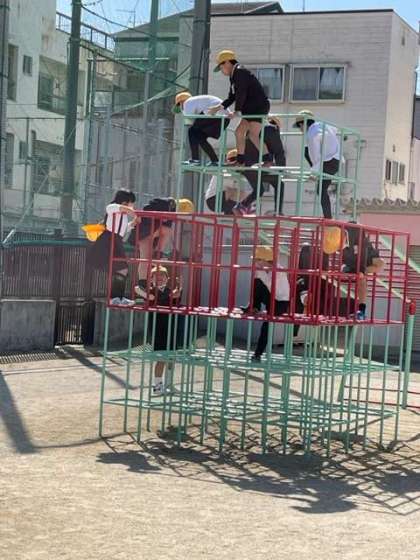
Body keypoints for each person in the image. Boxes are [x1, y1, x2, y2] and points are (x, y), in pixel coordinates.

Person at [210, 49, 272, 166]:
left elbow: (241, 93)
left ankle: (267, 160)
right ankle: (241, 160)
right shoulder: (234, 76)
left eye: (221, 67)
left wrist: (237, 111)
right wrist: (218, 107)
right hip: (251, 108)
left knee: (252, 134)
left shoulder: (240, 72)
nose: (222, 71)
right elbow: (232, 96)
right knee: (240, 132)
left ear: (227, 62)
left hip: (257, 107)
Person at [129, 197, 194, 290]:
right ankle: (143, 283)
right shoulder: (166, 203)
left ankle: (156, 255)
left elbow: (166, 227)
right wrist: (157, 216)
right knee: (145, 259)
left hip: (151, 232)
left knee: (146, 258)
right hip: (144, 232)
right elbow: (147, 207)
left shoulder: (172, 213)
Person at [136, 266, 182, 395]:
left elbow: (177, 296)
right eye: (156, 276)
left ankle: (169, 384)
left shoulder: (169, 291)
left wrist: (180, 286)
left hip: (170, 325)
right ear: (151, 279)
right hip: (157, 327)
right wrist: (142, 291)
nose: (160, 278)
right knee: (161, 358)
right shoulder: (151, 291)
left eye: (162, 275)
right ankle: (157, 386)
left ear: (167, 278)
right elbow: (146, 294)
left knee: (171, 357)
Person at [89, 189, 137, 306]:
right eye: (131, 202)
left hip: (116, 241)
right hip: (108, 240)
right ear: (125, 201)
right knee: (121, 268)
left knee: (122, 269)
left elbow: (122, 230)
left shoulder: (124, 214)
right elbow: (122, 209)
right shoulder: (112, 207)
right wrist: (135, 213)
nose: (132, 206)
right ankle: (115, 298)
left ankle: (117, 297)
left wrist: (133, 223)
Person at [242, 245, 290, 362]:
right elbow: (260, 287)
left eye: (257, 260)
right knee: (257, 282)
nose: (255, 262)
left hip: (281, 303)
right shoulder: (262, 269)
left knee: (267, 325)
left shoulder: (278, 270)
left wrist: (260, 272)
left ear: (264, 260)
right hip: (272, 298)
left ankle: (257, 354)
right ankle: (254, 307)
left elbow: (270, 285)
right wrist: (259, 273)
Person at [230, 117, 286, 215]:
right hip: (258, 167)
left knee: (259, 189)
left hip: (247, 167)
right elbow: (279, 152)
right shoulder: (270, 130)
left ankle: (241, 206)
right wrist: (281, 170)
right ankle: (278, 211)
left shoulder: (251, 131)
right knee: (279, 183)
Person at [293, 110, 342, 219]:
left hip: (327, 162)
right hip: (336, 161)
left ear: (302, 124)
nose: (301, 131)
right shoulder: (323, 125)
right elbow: (335, 130)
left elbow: (315, 155)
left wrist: (314, 172)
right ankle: (328, 216)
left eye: (300, 128)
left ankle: (328, 217)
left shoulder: (311, 134)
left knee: (306, 151)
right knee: (322, 189)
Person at [172, 91, 231, 165]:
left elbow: (189, 119)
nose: (181, 107)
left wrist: (184, 112)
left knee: (192, 131)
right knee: (200, 137)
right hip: (225, 118)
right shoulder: (196, 101)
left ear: (181, 102)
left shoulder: (187, 102)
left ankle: (195, 159)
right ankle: (215, 160)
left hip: (213, 113)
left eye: (179, 105)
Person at [342, 223, 384, 320]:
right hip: (352, 264)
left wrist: (362, 270)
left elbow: (365, 253)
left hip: (362, 262)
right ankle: (361, 311)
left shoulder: (362, 240)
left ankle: (361, 311)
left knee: (380, 264)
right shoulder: (345, 237)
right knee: (362, 280)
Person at [205, 149, 252, 214]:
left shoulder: (236, 173)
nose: (234, 163)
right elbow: (231, 184)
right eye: (232, 160)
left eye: (236, 160)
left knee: (242, 192)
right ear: (227, 161)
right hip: (212, 200)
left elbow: (248, 189)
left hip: (223, 200)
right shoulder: (223, 170)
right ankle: (233, 210)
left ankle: (230, 212)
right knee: (234, 191)